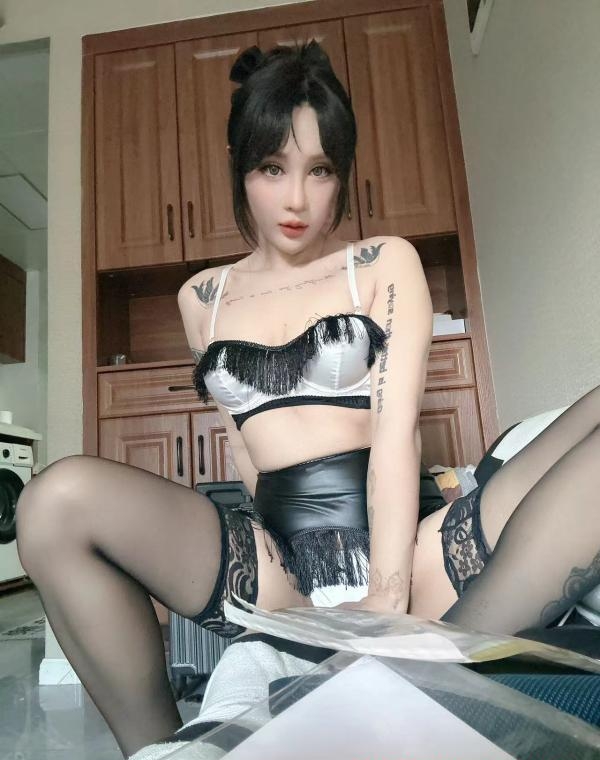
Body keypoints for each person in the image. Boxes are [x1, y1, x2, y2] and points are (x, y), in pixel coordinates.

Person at [14, 40, 600, 758]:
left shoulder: (381, 264)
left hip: (408, 553)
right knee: (53, 502)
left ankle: (434, 666)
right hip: (277, 564)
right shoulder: (201, 298)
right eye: (272, 168)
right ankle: (163, 749)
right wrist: (287, 584)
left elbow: (395, 438)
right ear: (240, 166)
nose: (296, 199)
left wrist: (385, 599)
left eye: (319, 170)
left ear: (341, 174)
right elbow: (243, 447)